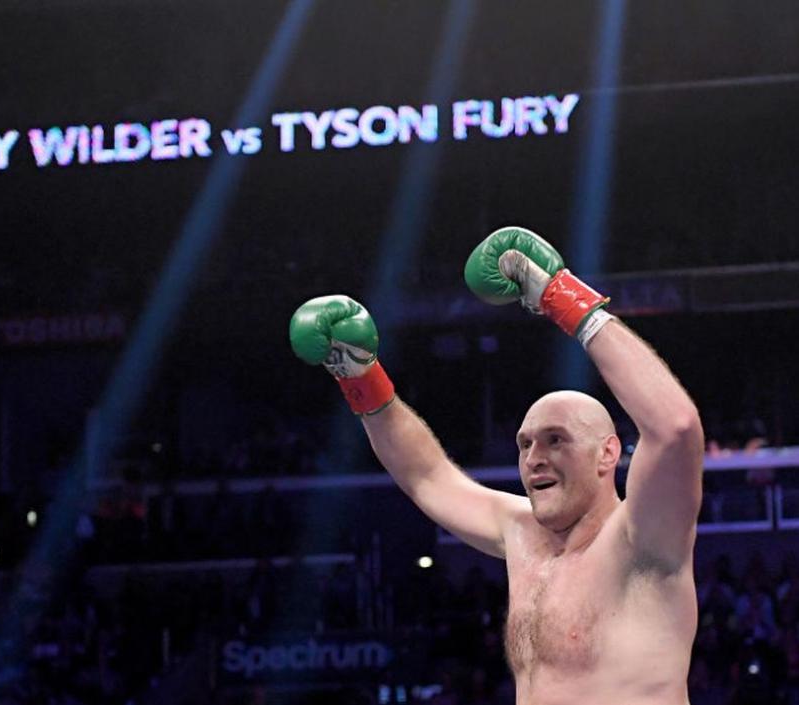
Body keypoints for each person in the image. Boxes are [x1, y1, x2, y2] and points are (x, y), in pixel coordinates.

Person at [290, 227, 703, 704]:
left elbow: (675, 427)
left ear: (608, 454)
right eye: (524, 444)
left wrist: (560, 296)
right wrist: (360, 375)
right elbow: (427, 476)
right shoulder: (522, 533)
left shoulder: (644, 537)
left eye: (555, 440)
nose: (534, 458)